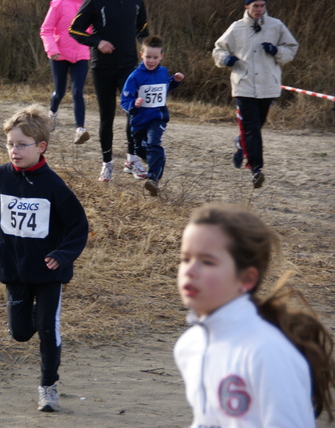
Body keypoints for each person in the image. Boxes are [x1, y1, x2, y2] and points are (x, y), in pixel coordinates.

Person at [0, 104, 89, 412]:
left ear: (41, 147)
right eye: (10, 144)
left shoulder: (53, 185)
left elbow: (78, 226)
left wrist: (62, 255)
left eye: (22, 145)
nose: (14, 151)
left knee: (48, 327)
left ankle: (48, 387)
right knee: (20, 333)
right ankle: (39, 316)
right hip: (14, 270)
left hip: (49, 271)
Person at [174, 203, 335, 427]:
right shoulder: (189, 346)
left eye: (207, 262)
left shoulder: (267, 353)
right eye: (185, 259)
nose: (189, 271)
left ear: (247, 279)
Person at [212, 0, 298, 188]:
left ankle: (241, 143)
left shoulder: (276, 26)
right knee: (251, 128)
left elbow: (292, 48)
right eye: (255, 6)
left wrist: (277, 50)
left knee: (256, 127)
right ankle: (256, 169)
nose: (259, 10)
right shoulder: (236, 28)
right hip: (243, 86)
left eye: (262, 6)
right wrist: (226, 58)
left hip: (268, 85)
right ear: (246, 7)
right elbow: (218, 49)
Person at [69, 0, 149, 182]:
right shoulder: (95, 2)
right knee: (107, 117)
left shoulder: (137, 2)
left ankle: (132, 160)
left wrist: (147, 48)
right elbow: (74, 29)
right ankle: (107, 163)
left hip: (129, 66)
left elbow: (142, 28)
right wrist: (97, 42)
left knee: (134, 112)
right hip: (103, 67)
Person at [121, 36, 184, 196]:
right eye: (148, 57)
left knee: (154, 143)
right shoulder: (135, 77)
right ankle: (157, 162)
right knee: (141, 150)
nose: (151, 60)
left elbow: (164, 88)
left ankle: (153, 179)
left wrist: (174, 81)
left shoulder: (163, 72)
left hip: (157, 117)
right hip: (139, 121)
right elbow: (124, 99)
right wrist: (134, 104)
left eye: (155, 57)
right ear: (141, 54)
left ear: (161, 56)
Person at [39, 0, 91, 145]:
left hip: (81, 54)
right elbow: (46, 29)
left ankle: (80, 129)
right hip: (59, 54)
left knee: (77, 91)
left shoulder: (89, 4)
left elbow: (94, 29)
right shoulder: (59, 3)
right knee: (59, 92)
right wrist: (51, 49)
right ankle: (53, 112)